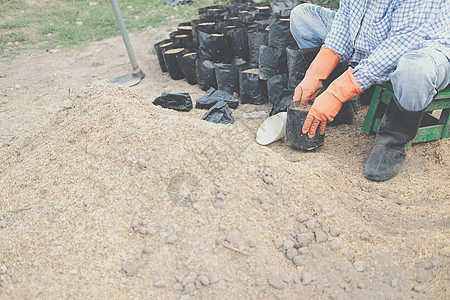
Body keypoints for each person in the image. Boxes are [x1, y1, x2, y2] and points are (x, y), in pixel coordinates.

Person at [289, 0, 450, 181]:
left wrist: (336, 93)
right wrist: (316, 72)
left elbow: (396, 48)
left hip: (421, 48)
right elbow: (344, 23)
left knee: (414, 70)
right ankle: (339, 112)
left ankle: (393, 142)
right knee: (302, 17)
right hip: (375, 39)